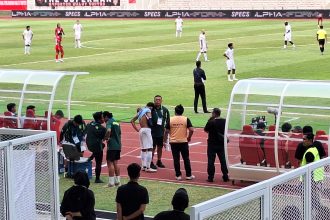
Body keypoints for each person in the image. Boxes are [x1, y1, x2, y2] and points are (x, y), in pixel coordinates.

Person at [165, 104, 195, 180]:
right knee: (186, 159)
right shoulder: (186, 119)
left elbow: (166, 131)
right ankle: (188, 175)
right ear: (182, 112)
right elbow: (191, 129)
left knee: (176, 159)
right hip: (183, 142)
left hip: (173, 142)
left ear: (175, 111)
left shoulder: (171, 119)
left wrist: (165, 140)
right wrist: (189, 137)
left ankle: (178, 175)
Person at [204, 108, 229, 182]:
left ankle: (211, 177)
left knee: (211, 161)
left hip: (212, 143)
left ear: (214, 113)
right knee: (223, 160)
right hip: (221, 143)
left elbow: (205, 130)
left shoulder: (211, 122)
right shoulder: (224, 121)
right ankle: (225, 176)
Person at [131, 102, 157, 172]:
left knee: (143, 149)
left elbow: (132, 121)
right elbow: (150, 120)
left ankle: (143, 166)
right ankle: (148, 167)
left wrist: (137, 130)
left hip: (141, 130)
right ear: (150, 107)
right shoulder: (148, 110)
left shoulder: (140, 111)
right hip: (147, 130)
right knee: (150, 148)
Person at [86, 111, 107, 183]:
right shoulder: (102, 128)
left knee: (102, 145)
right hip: (96, 146)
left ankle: (92, 156)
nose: (103, 119)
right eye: (102, 117)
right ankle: (97, 179)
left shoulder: (89, 124)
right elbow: (105, 138)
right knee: (99, 162)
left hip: (88, 145)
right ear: (99, 119)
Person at [150, 95, 170, 169]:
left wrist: (166, 128)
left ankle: (159, 161)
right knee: (152, 148)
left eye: (159, 100)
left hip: (161, 132)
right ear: (154, 101)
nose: (157, 101)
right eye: (156, 100)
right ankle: (151, 162)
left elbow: (168, 120)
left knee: (160, 147)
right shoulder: (151, 109)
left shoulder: (165, 109)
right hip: (152, 132)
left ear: (161, 101)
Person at [103, 111, 121, 187]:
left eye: (103, 117)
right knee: (115, 163)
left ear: (106, 117)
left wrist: (106, 137)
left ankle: (111, 183)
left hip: (112, 146)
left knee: (109, 163)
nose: (103, 119)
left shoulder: (109, 122)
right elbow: (120, 133)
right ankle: (117, 181)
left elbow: (109, 130)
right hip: (118, 145)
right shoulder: (116, 122)